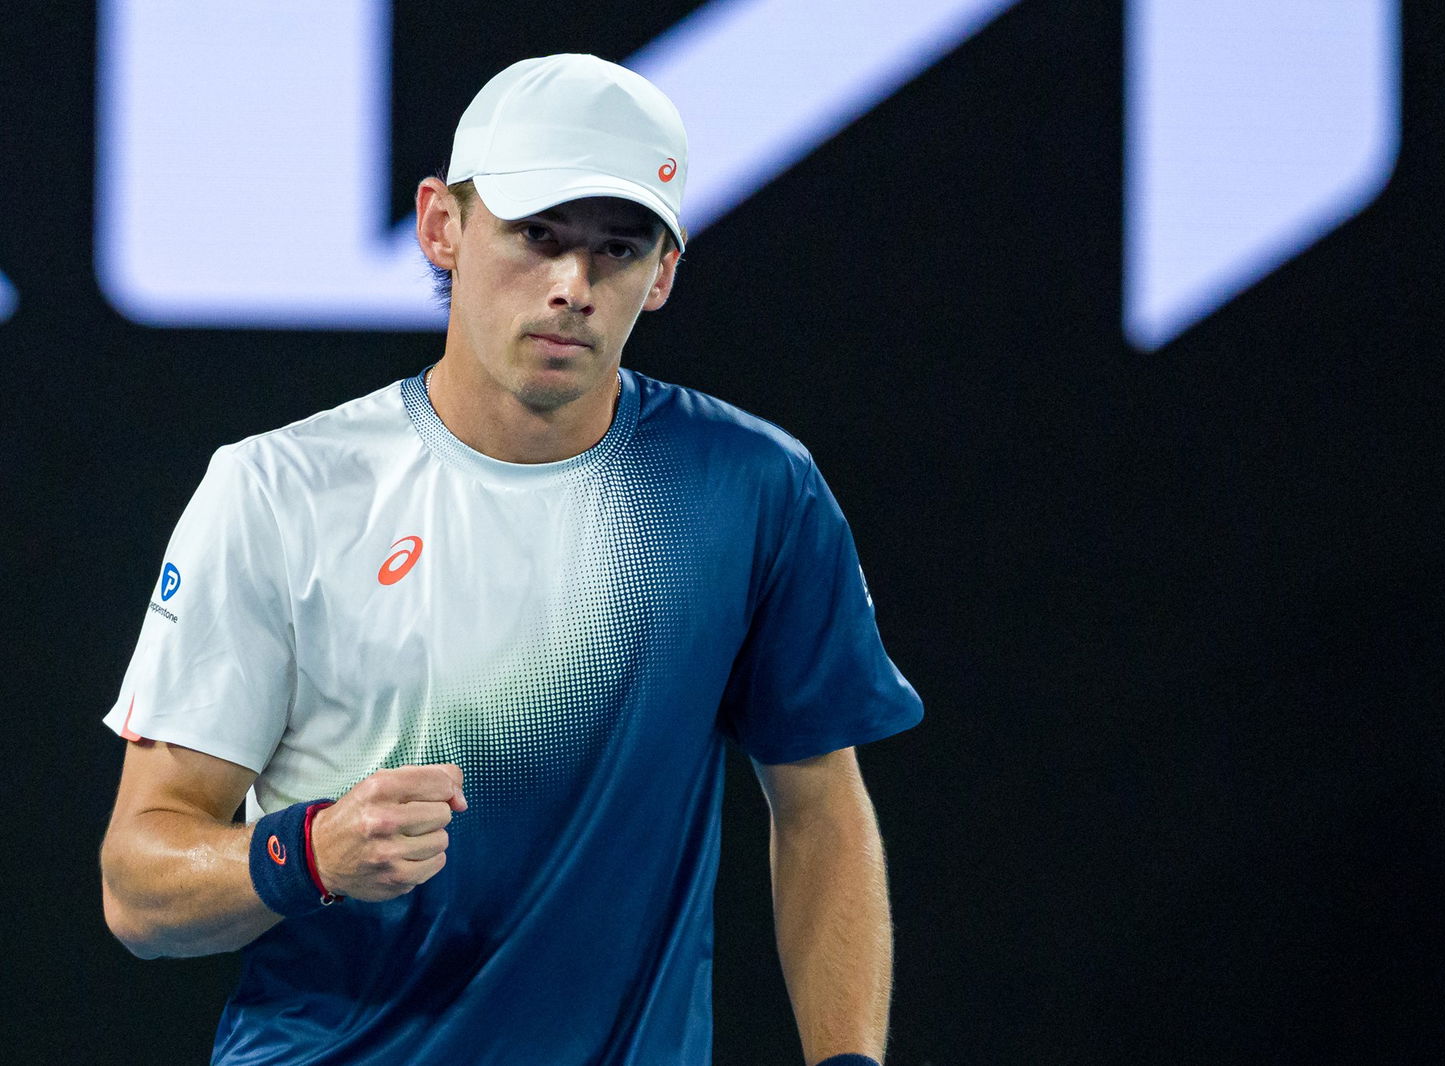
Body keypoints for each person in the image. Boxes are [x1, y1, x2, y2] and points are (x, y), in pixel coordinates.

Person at [98, 53, 921, 1066]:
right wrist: (304, 853)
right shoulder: (276, 492)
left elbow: (821, 806)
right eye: (537, 237)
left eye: (617, 250)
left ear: (661, 272)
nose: (573, 286)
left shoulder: (755, 491)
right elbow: (138, 885)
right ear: (442, 224)